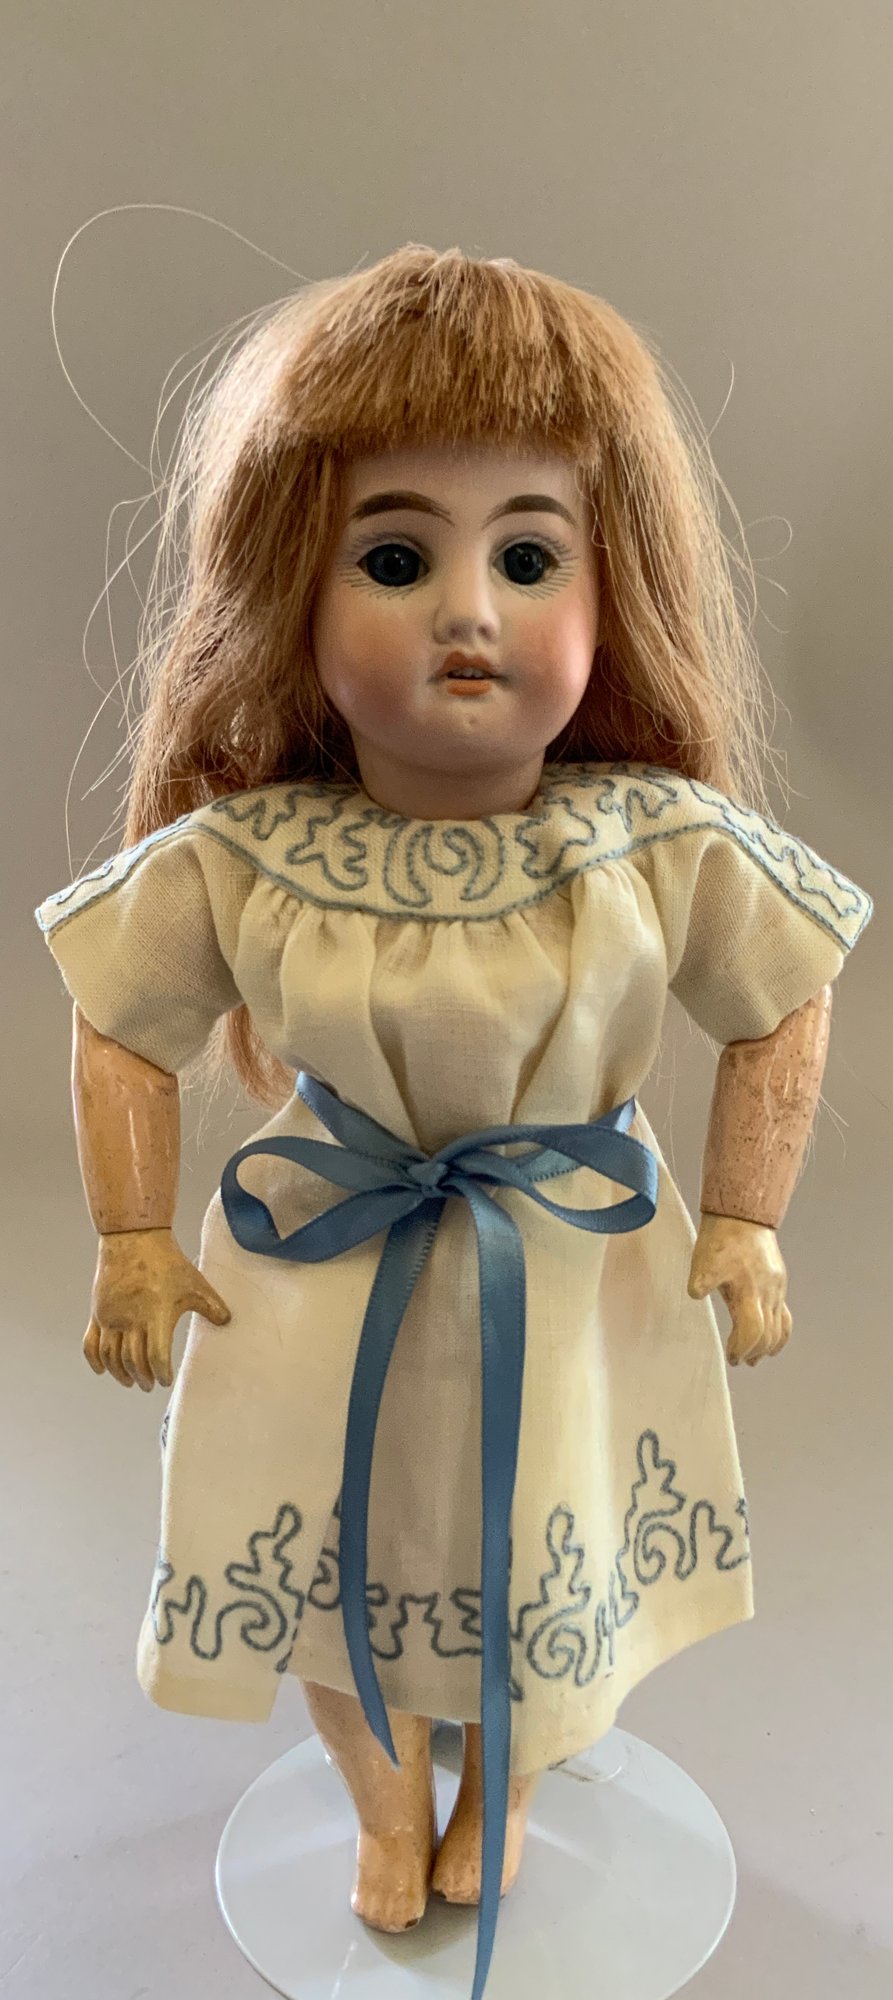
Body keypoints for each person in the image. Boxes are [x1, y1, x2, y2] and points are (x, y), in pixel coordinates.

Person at [35, 245, 872, 2000]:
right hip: (315, 1268)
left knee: (531, 1546)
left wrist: (743, 1214)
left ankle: (502, 1786)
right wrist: (128, 1236)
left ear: (610, 583)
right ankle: (378, 1796)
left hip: (562, 1273)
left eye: (529, 557)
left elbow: (782, 994)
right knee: (330, 1550)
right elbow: (118, 1019)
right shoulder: (252, 853)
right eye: (396, 559)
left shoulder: (647, 842)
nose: (465, 613)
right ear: (289, 584)